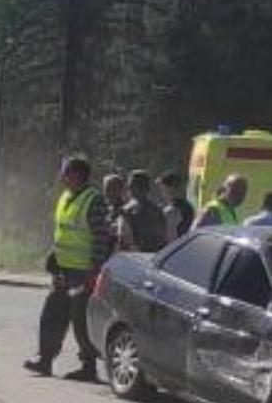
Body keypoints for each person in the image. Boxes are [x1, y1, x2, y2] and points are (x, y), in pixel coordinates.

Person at [25, 154, 112, 381]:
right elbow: (63, 231)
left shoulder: (94, 200)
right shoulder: (66, 197)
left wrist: (94, 271)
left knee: (80, 320)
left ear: (77, 175)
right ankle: (44, 360)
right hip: (63, 270)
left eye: (66, 172)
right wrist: (54, 255)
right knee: (52, 314)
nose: (62, 176)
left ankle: (88, 366)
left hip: (83, 273)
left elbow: (101, 238)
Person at [122, 170, 170, 252]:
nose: (129, 188)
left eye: (132, 185)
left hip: (135, 257)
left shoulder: (127, 211)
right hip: (153, 256)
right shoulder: (157, 211)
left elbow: (125, 239)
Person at [157, 171, 194, 240]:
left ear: (170, 188)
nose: (161, 191)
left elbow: (171, 236)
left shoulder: (174, 210)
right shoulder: (187, 206)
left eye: (162, 187)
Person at [103, 173, 131, 251]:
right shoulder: (104, 208)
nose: (108, 192)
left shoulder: (125, 209)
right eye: (107, 188)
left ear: (120, 190)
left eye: (113, 188)